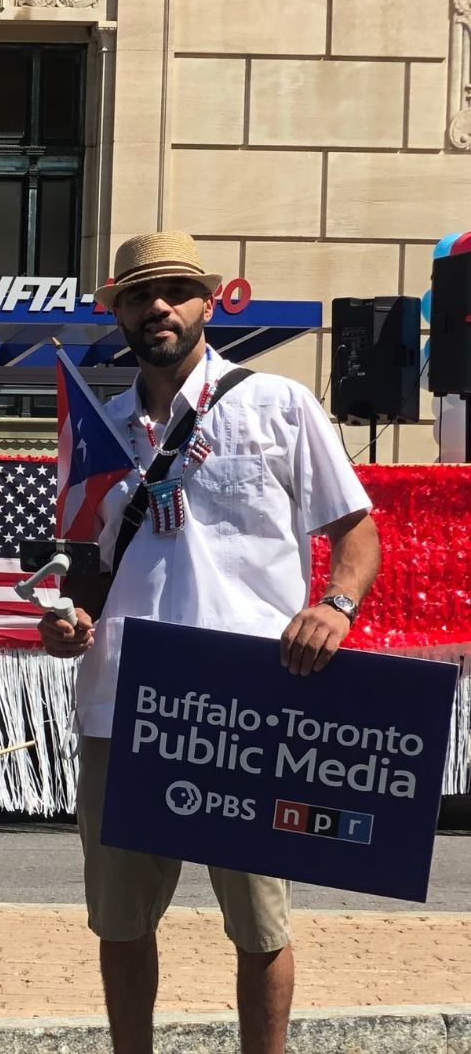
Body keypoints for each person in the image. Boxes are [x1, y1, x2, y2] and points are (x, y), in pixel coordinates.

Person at [37, 232, 381, 1054]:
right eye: (138, 295)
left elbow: (357, 534)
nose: (157, 307)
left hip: (247, 695)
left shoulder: (278, 403)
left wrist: (335, 604)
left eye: (175, 292)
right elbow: (87, 574)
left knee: (259, 924)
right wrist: (70, 622)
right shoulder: (100, 431)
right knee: (120, 923)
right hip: (124, 699)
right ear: (115, 310)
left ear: (208, 302)